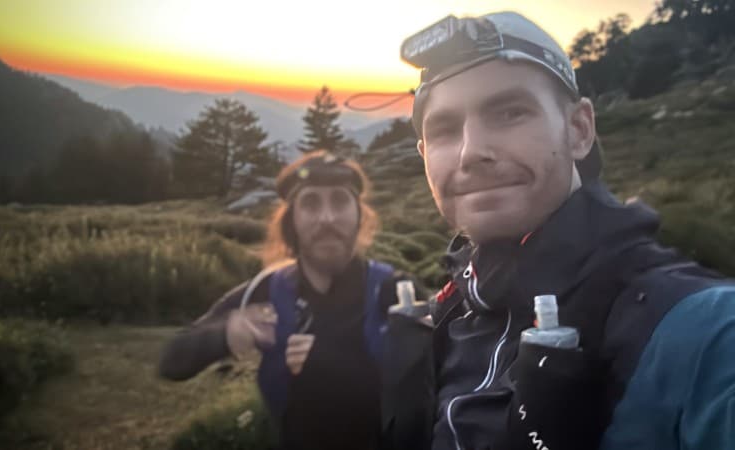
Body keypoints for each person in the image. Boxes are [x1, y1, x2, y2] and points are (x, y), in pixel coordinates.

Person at [398, 11, 735, 450]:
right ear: (424, 154)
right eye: (444, 130)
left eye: (509, 112)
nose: (470, 152)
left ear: (579, 129)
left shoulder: (702, 330)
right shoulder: (457, 309)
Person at [158, 150, 425, 450]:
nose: (327, 217)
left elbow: (441, 389)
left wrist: (331, 362)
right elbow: (171, 362)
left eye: (339, 200)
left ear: (358, 215)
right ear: (292, 221)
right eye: (310, 203)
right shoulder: (268, 293)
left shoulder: (395, 291)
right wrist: (223, 334)